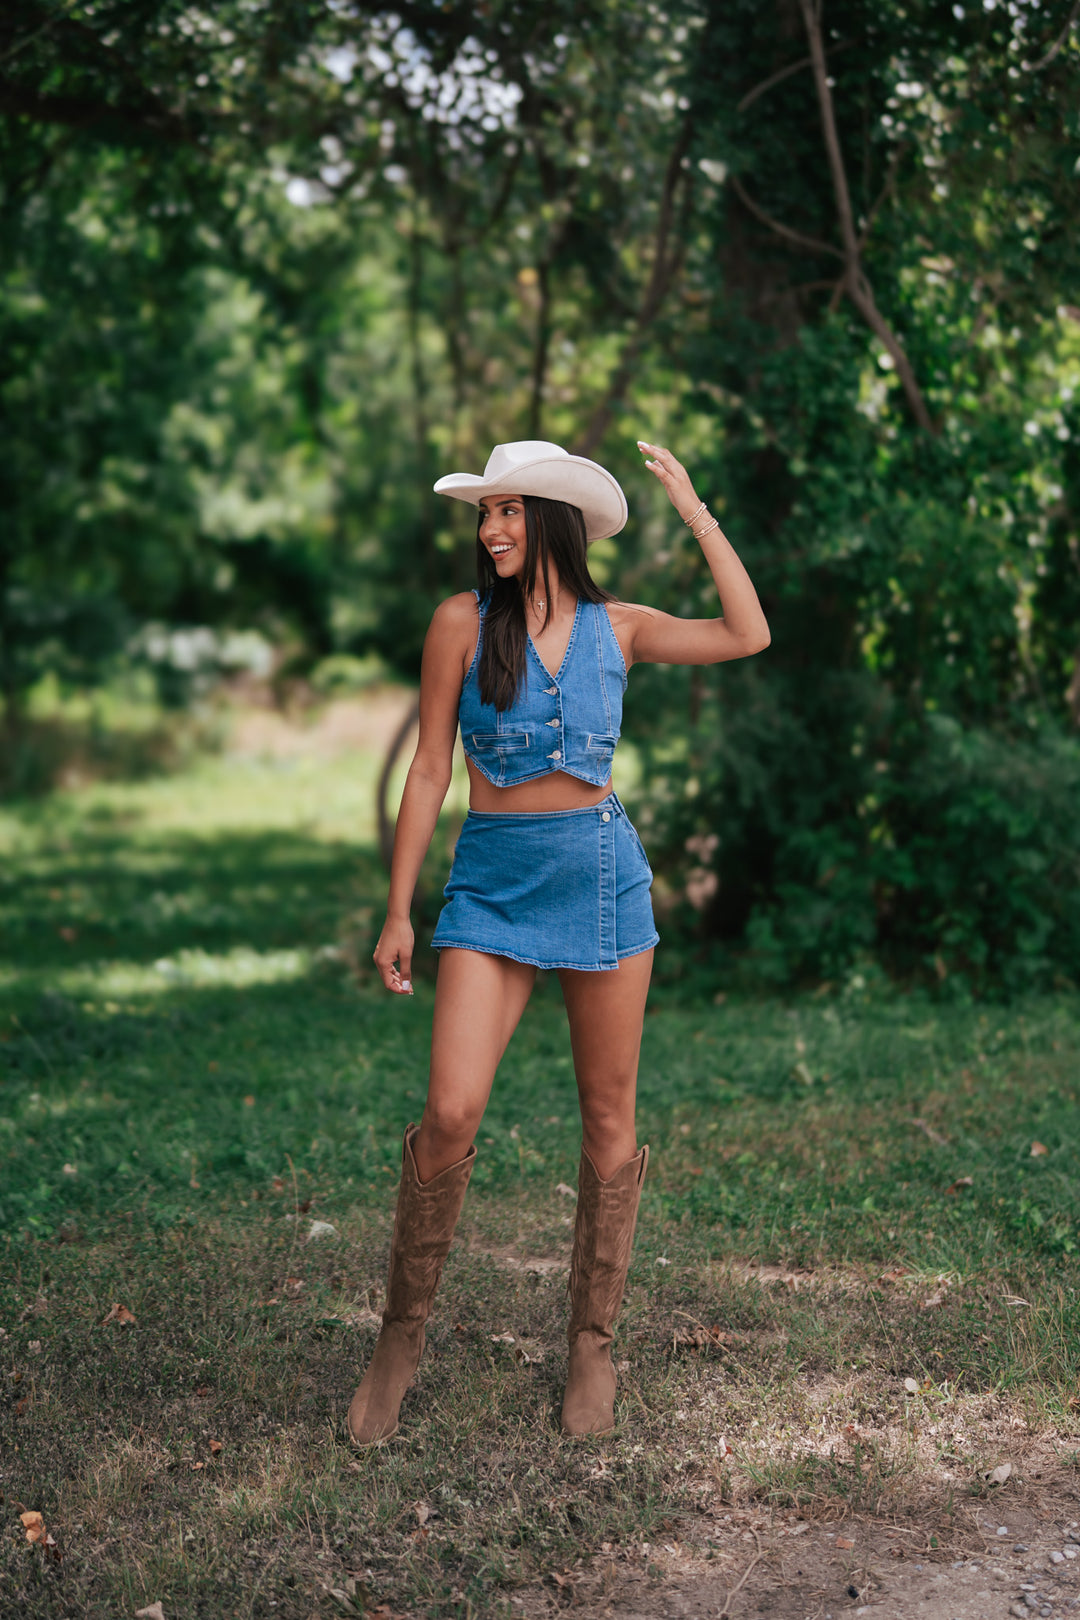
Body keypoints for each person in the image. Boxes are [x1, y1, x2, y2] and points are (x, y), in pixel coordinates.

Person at [348, 438, 769, 1446]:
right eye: (483, 513)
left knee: (607, 1119)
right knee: (449, 1110)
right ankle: (399, 1340)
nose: (491, 529)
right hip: (491, 884)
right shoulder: (461, 621)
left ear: (553, 521)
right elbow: (427, 773)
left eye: (508, 510)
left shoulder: (619, 626)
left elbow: (747, 632)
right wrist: (400, 908)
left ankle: (591, 1341)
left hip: (600, 877)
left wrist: (696, 509)